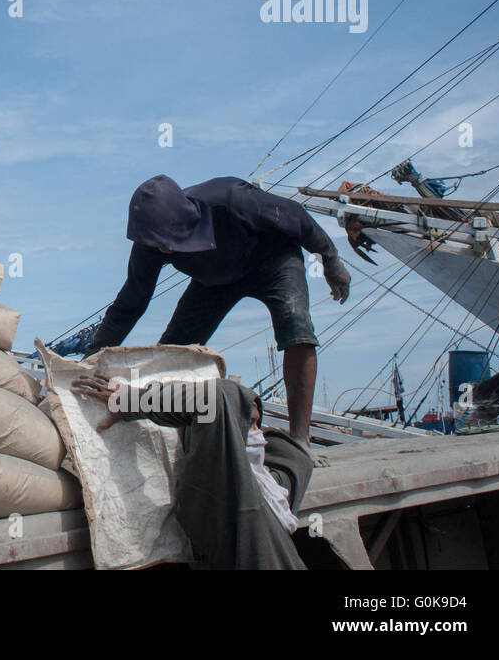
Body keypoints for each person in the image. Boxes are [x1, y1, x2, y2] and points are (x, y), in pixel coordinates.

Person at [83, 175, 351, 441]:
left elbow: (298, 217)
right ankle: (166, 433)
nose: (163, 248)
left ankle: (300, 440)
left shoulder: (233, 200)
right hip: (215, 280)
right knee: (173, 349)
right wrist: (93, 356)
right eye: (157, 243)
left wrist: (331, 261)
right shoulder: (150, 244)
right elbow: (131, 302)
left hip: (272, 260)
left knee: (297, 327)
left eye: (168, 240)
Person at [71, 372, 315, 570]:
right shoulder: (223, 500)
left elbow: (297, 459)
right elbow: (214, 397)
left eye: (257, 424)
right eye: (248, 425)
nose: (259, 435)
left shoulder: (273, 493)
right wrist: (131, 401)